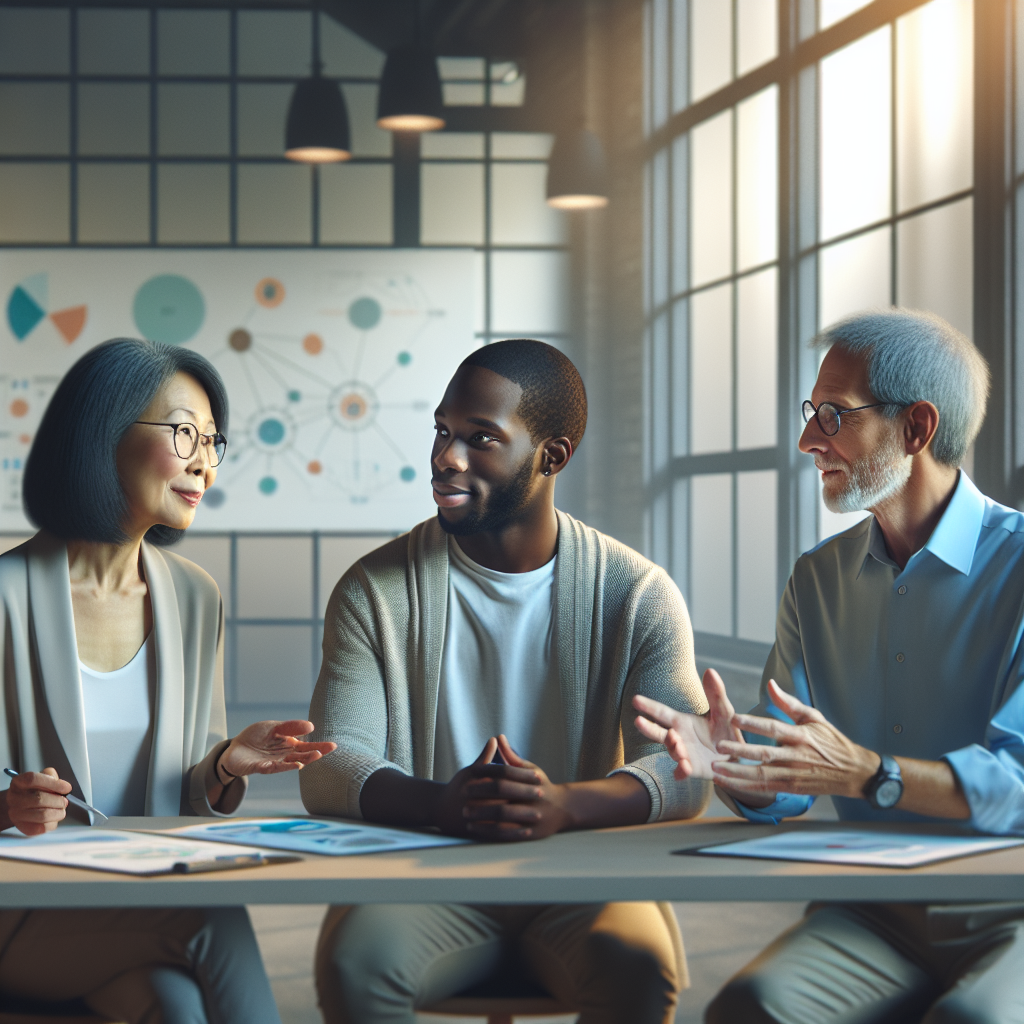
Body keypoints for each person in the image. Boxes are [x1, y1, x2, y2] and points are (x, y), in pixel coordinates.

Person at [300, 338, 710, 1024]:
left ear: (554, 455)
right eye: (442, 431)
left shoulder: (637, 593)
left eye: (479, 438)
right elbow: (330, 764)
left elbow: (689, 770)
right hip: (422, 875)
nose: (445, 458)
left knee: (639, 967)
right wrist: (442, 805)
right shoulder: (373, 589)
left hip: (583, 876)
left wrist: (563, 806)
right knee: (355, 966)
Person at [635, 309, 1024, 1024]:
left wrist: (870, 773)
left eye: (834, 415)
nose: (810, 438)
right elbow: (790, 784)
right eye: (812, 412)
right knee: (750, 1009)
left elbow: (1019, 782)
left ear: (916, 428)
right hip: (874, 912)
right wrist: (738, 765)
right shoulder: (815, 580)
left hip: (1012, 905)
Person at [0, 338, 335, 1024]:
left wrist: (221, 766)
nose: (206, 463)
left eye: (213, 441)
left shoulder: (194, 595)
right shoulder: (5, 595)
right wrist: (6, 809)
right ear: (103, 433)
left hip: (136, 897)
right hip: (23, 912)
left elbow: (184, 796)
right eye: (185, 433)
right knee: (213, 920)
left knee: (176, 1007)